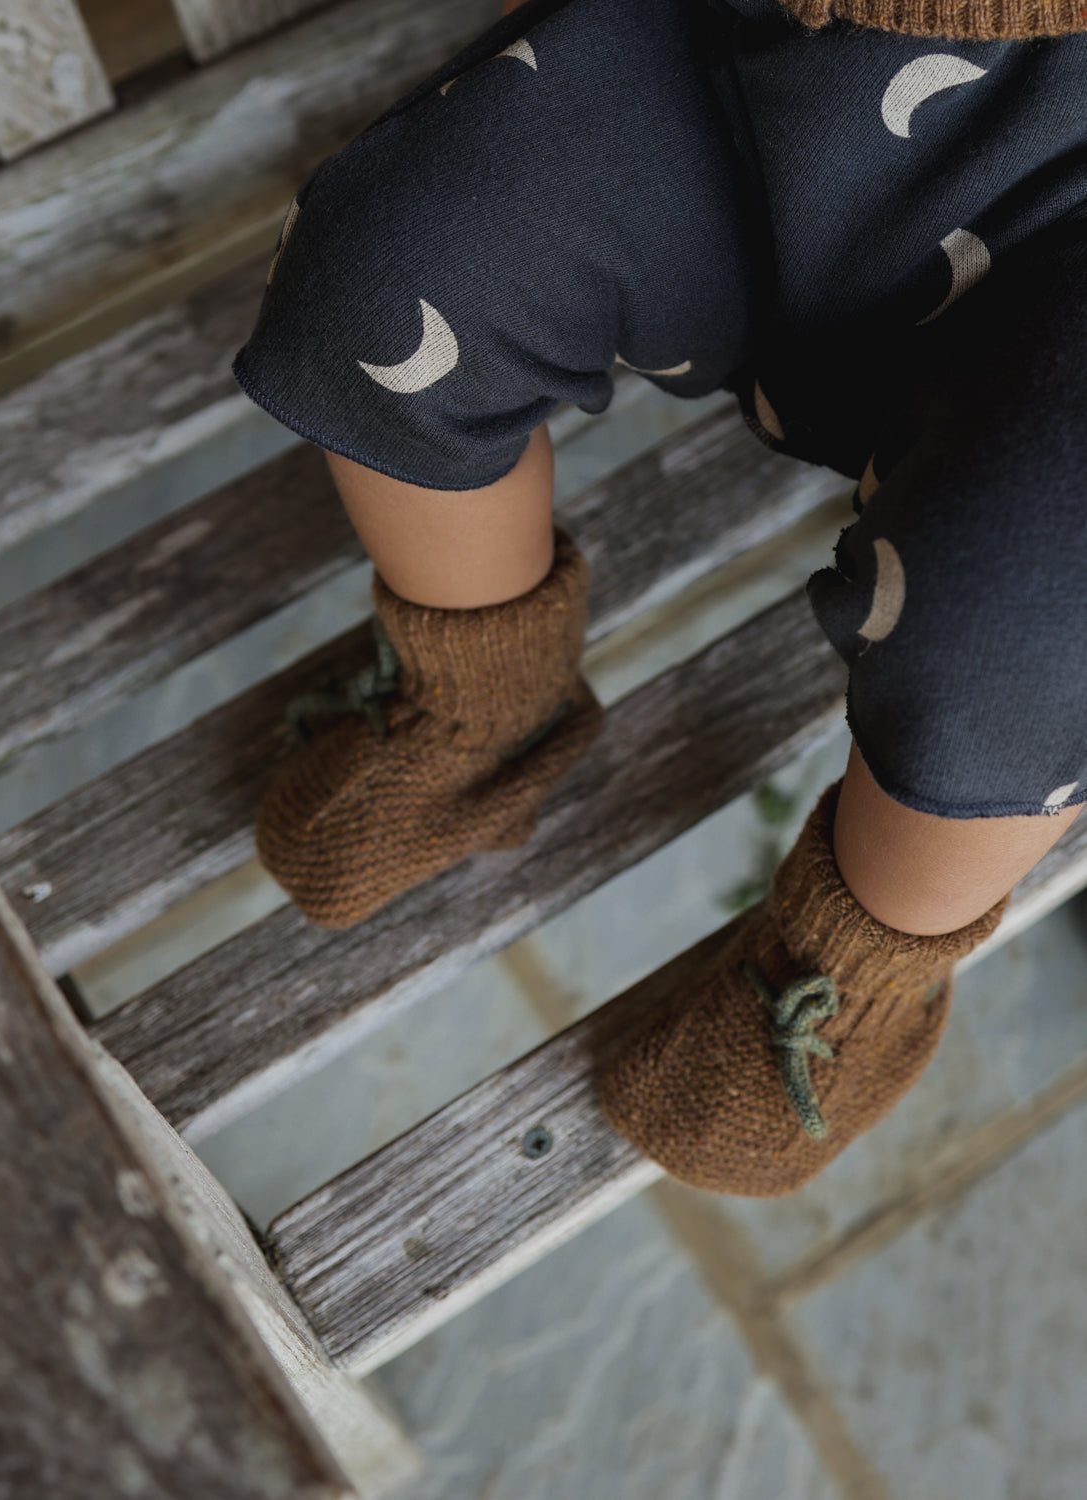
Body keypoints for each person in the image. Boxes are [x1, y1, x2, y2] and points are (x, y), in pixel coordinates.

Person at [231, 0, 1087, 1195]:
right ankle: (483, 700)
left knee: (1032, 616)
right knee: (389, 268)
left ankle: (851, 976)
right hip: (766, 71)